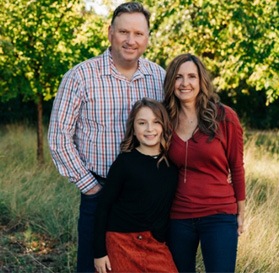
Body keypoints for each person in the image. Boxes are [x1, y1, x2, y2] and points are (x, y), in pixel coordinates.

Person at [47, 2, 166, 272]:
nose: (131, 40)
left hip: (146, 195)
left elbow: (171, 131)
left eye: (138, 34)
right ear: (110, 32)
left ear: (147, 38)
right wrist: (92, 188)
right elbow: (58, 138)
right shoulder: (80, 76)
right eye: (124, 32)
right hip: (99, 191)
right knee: (94, 267)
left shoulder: (158, 77)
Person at [163, 53, 246, 273]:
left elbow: (237, 166)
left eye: (192, 76)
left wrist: (241, 212)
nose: (185, 83)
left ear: (201, 81)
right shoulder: (164, 120)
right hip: (178, 216)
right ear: (172, 82)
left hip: (219, 214)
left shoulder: (225, 117)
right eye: (179, 77)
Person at [93, 98, 178, 273]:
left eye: (156, 122)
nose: (149, 129)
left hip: (155, 244)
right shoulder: (125, 162)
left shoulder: (172, 164)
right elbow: (103, 207)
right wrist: (99, 253)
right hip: (121, 241)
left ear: (164, 126)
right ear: (133, 127)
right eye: (142, 123)